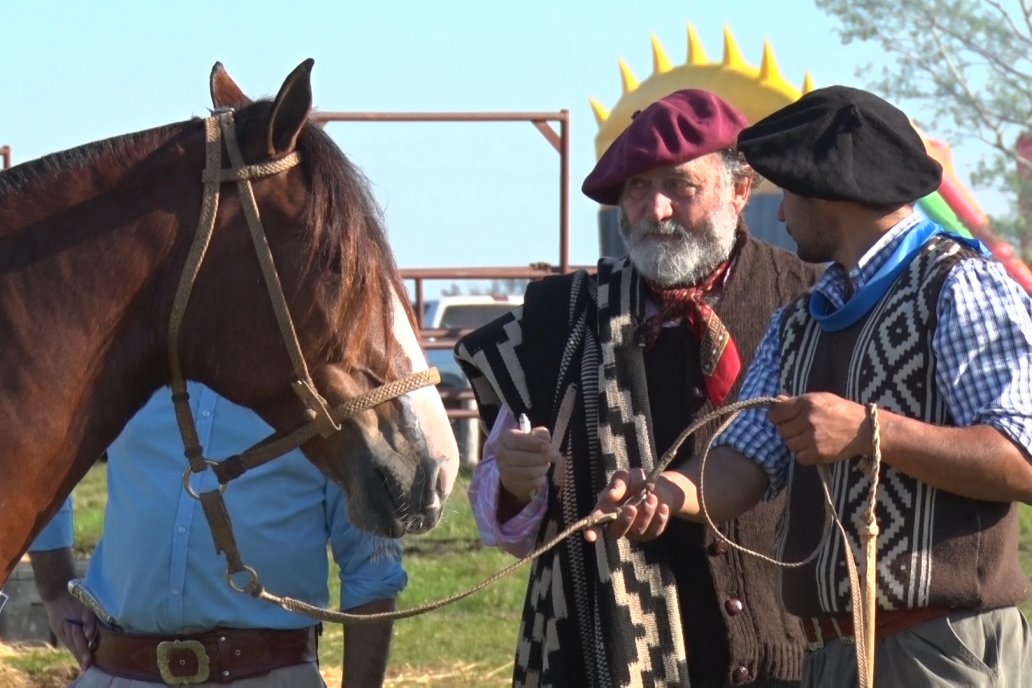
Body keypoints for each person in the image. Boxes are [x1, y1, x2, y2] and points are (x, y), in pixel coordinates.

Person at [589, 85, 1032, 687]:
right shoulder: (802, 318)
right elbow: (740, 463)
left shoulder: (960, 286)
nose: (784, 211)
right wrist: (662, 492)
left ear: (830, 192)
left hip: (938, 646)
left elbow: (1022, 458)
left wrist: (870, 431)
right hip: (825, 655)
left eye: (790, 189)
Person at [455, 89, 823, 687]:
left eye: (680, 185)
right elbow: (505, 514)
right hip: (599, 660)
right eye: (635, 187)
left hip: (793, 661)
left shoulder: (813, 303)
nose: (654, 209)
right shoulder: (558, 319)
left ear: (739, 189)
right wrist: (516, 484)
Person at [29, 381, 406, 688]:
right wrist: (54, 586)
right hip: (119, 671)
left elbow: (371, 571)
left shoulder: (325, 392)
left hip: (269, 677)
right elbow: (44, 446)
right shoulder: (131, 355)